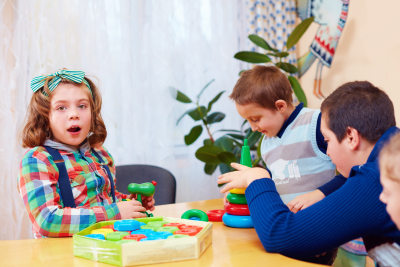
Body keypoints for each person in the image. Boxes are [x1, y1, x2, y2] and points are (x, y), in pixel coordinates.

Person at [219, 81, 400, 266]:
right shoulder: (390, 160)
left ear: (351, 137)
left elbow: (279, 235)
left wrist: (256, 178)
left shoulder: (378, 179)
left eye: (327, 140)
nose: (327, 152)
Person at [18, 69, 155, 238]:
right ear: (45, 118)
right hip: (62, 253)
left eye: (82, 106)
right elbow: (47, 221)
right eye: (61, 108)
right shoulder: (38, 160)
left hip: (103, 244)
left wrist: (129, 204)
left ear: (93, 113)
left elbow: (104, 199)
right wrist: (114, 213)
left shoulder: (99, 153)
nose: (74, 114)